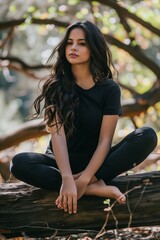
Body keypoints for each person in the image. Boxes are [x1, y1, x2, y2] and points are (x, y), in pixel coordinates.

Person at [11, 21, 157, 214]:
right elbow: (58, 137)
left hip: (95, 164)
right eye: (70, 42)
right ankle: (94, 190)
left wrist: (85, 178)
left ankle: (89, 183)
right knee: (19, 162)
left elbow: (105, 141)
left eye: (82, 43)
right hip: (60, 163)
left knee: (147, 135)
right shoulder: (55, 86)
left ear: (93, 48)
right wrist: (66, 179)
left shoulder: (109, 89)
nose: (73, 47)